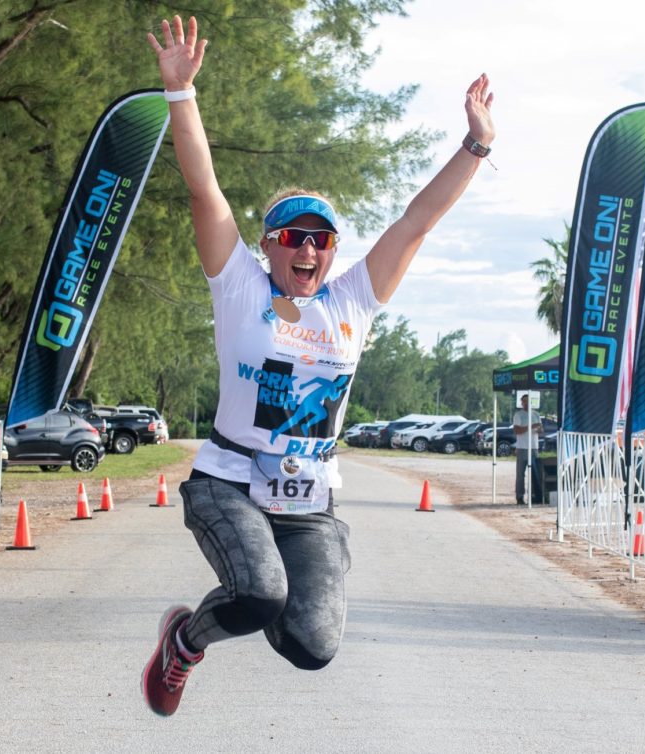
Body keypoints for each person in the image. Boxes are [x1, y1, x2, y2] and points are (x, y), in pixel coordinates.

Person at [141, 14, 495, 717]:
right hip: (230, 482)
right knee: (258, 594)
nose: (309, 250)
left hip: (308, 501)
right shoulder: (239, 286)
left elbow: (417, 221)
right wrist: (181, 95)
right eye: (294, 237)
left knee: (312, 646)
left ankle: (262, 592)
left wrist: (476, 145)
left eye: (322, 240)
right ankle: (184, 644)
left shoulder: (353, 300)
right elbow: (203, 190)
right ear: (269, 245)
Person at [512, 393, 543, 505]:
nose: (525, 403)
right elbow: (516, 430)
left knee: (536, 474)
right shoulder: (518, 415)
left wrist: (539, 429)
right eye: (523, 401)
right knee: (520, 474)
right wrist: (530, 426)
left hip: (534, 447)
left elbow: (541, 430)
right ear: (521, 403)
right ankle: (519, 497)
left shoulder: (536, 414)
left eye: (527, 401)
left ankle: (536, 496)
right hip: (522, 447)